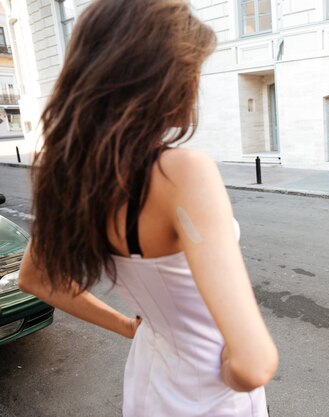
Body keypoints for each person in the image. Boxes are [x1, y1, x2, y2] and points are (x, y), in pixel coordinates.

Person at [18, 0, 278, 415]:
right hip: (211, 394)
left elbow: (35, 278)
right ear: (159, 76)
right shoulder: (182, 173)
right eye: (194, 69)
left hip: (151, 378)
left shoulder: (74, 178)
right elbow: (253, 365)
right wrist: (230, 381)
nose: (197, 84)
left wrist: (126, 326)